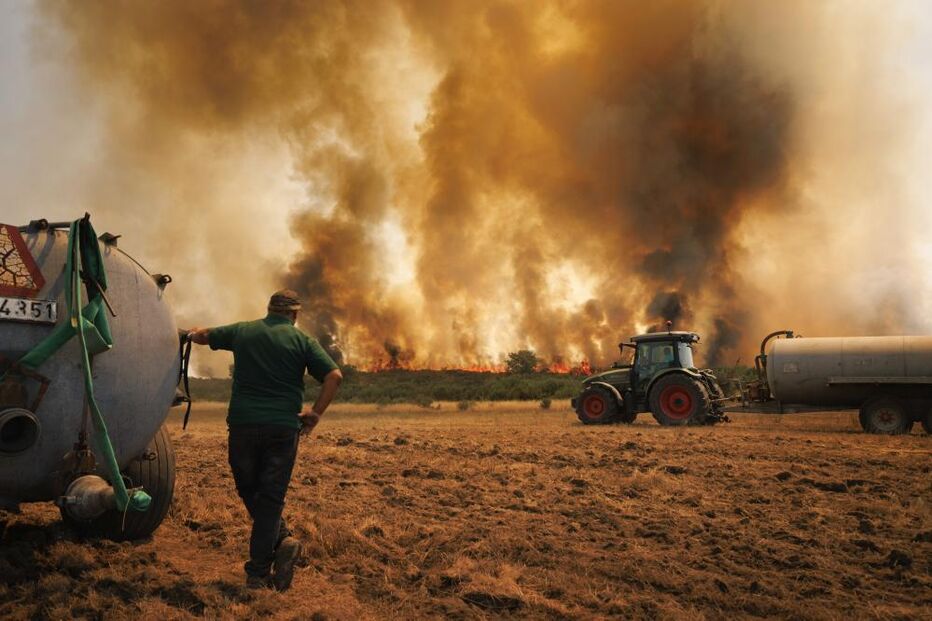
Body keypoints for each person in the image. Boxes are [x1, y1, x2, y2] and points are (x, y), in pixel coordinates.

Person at [188, 289, 342, 591]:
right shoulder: (303, 341)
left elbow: (205, 336)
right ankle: (278, 546)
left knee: (249, 489)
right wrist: (315, 413)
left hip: (243, 425)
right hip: (283, 429)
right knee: (270, 498)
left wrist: (191, 334)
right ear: (294, 315)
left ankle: (261, 566)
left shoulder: (244, 331)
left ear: (269, 309)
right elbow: (334, 376)